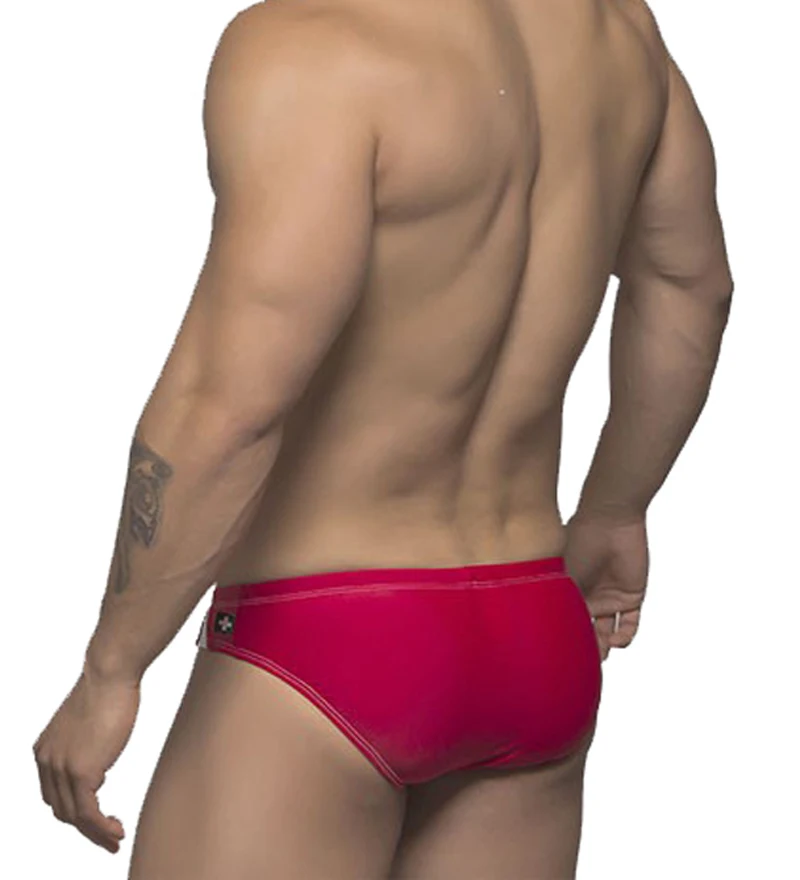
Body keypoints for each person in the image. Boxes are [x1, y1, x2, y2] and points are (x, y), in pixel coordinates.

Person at [32, 0, 734, 877]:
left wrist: (112, 669)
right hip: (534, 627)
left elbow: (231, 403)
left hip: (324, 643)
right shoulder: (619, 33)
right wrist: (616, 508)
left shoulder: (313, 44)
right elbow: (691, 285)